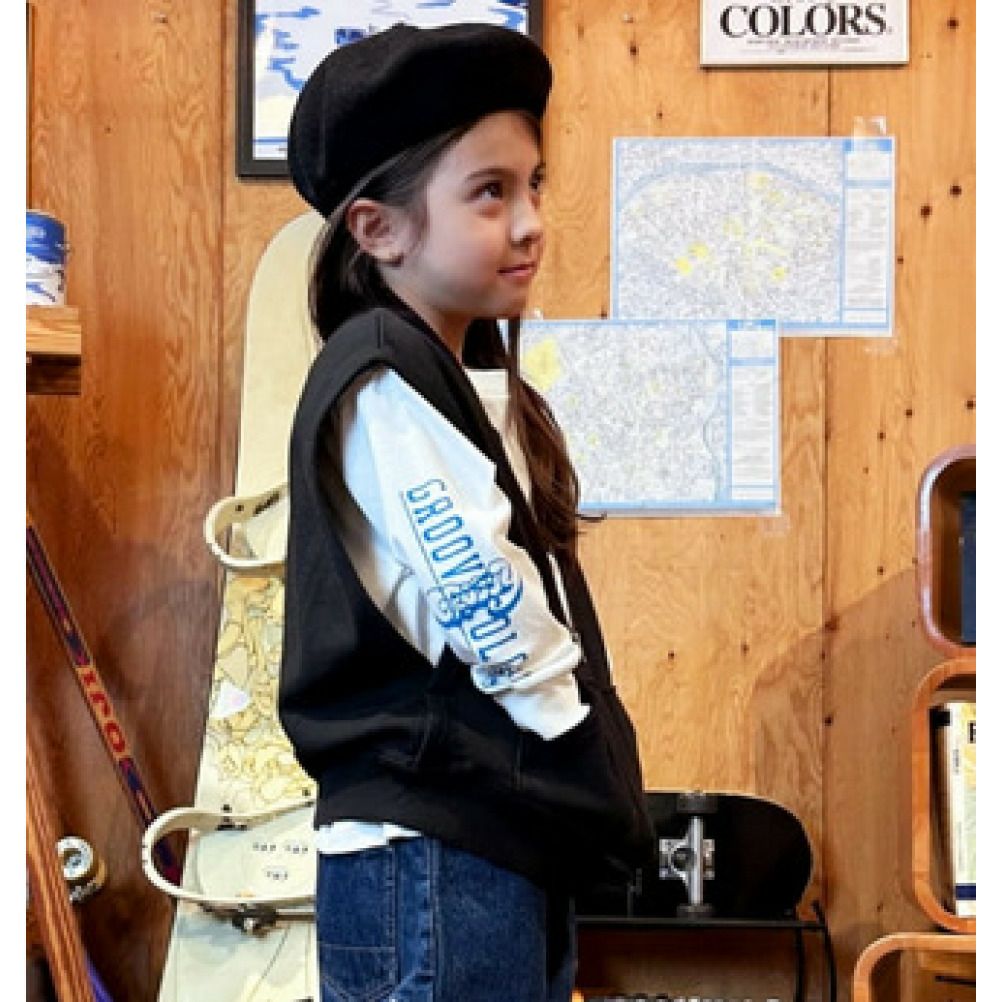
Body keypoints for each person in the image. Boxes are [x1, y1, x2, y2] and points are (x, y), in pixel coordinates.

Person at [278, 22, 655, 1002]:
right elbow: (486, 594)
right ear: (379, 229)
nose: (530, 222)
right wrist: (582, 757)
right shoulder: (383, 375)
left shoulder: (454, 376)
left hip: (481, 845)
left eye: (535, 186)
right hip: (436, 856)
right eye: (490, 192)